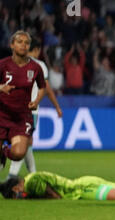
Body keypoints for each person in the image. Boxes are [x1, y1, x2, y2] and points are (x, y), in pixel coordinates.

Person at [7, 37, 63, 179]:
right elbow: (47, 88)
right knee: (24, 142)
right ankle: (12, 175)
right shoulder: (39, 65)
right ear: (36, 50)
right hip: (29, 111)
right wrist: (56, 106)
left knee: (25, 142)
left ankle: (32, 173)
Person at [0, 31, 46, 172]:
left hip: (21, 117)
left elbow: (42, 87)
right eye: (19, 42)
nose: (23, 45)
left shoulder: (35, 68)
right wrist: (1, 87)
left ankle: (4, 153)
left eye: (26, 43)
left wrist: (36, 101)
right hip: (1, 114)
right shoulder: (2, 64)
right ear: (12, 45)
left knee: (19, 153)